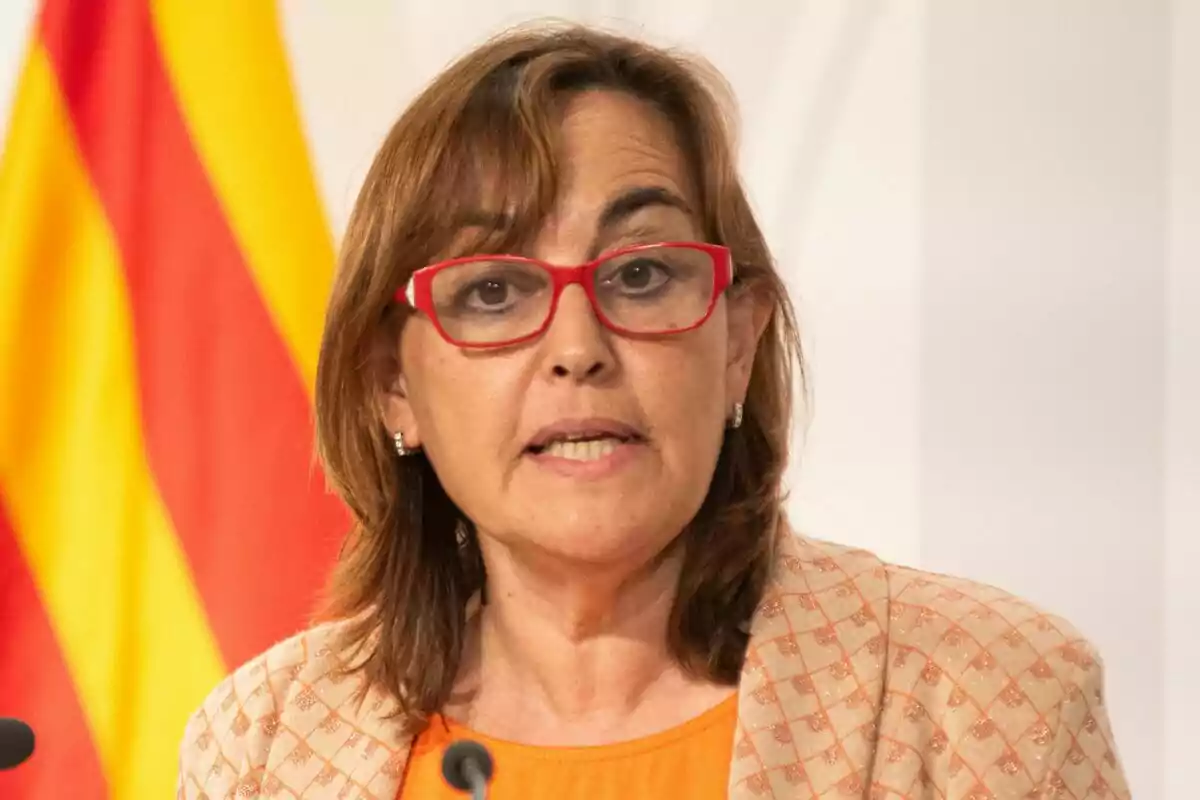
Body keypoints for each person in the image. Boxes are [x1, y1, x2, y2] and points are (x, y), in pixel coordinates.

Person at [176, 23, 1129, 800]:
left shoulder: (987, 706)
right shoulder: (262, 747)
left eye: (640, 273)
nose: (578, 346)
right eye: (496, 292)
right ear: (394, 384)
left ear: (738, 345)